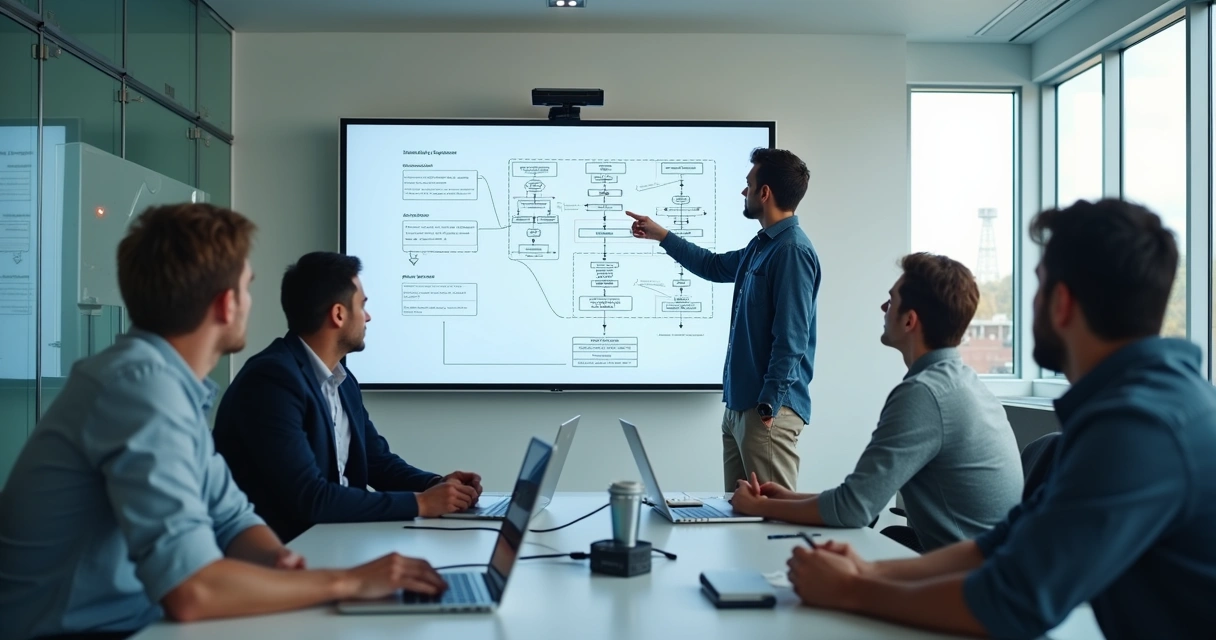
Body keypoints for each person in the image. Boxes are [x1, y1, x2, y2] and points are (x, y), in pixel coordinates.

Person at [0, 204, 446, 640]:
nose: (252, 301)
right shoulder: (140, 389)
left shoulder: (164, 384)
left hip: (136, 621)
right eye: (248, 287)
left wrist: (280, 563)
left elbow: (231, 517)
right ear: (225, 304)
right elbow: (192, 591)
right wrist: (347, 583)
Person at [784, 199, 1216, 640]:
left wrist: (852, 590)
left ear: (1061, 303)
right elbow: (1003, 543)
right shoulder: (1152, 404)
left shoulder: (1139, 427)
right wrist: (868, 570)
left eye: (1039, 286)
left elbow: (1013, 602)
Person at [730, 253, 1022, 552]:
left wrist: (759, 508)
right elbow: (856, 497)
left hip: (966, 582)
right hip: (980, 566)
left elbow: (853, 510)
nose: (884, 308)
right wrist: (782, 498)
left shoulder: (925, 394)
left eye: (891, 300)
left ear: (910, 320)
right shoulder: (961, 382)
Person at [213, 251, 483, 542]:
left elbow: (377, 462)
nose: (368, 316)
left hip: (336, 539)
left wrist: (437, 484)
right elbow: (310, 498)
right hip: (289, 553)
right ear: (339, 314)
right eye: (362, 306)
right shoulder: (271, 381)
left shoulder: (342, 379)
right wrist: (422, 503)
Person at [626, 148, 820, 491]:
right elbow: (713, 266)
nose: (744, 192)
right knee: (740, 517)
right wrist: (662, 235)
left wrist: (768, 405)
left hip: (766, 411)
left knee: (772, 522)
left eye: (748, 184)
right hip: (739, 407)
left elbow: (792, 337)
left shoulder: (791, 251)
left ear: (765, 192)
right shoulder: (761, 247)